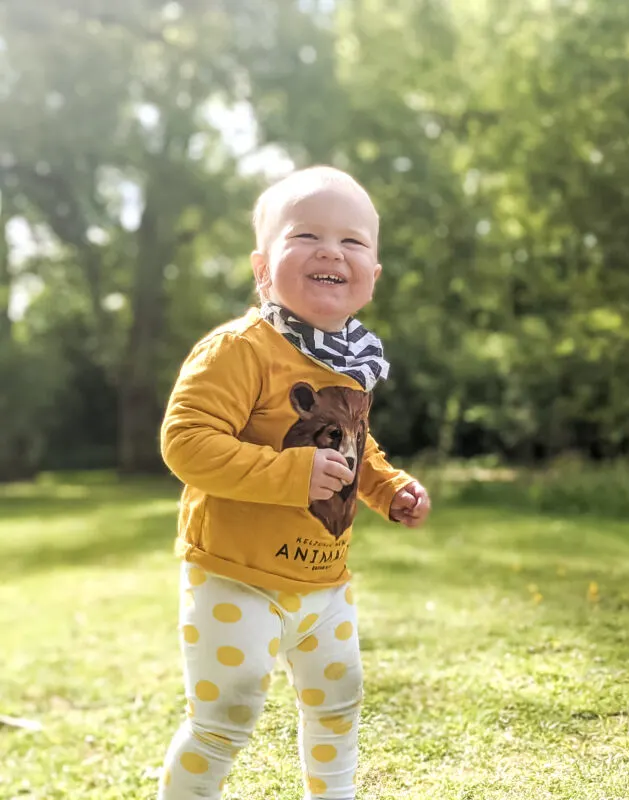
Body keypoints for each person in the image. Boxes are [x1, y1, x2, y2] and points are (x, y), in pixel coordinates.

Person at [157, 166, 431, 799]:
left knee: (338, 703)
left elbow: (356, 447)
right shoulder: (240, 348)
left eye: (353, 242)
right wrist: (292, 473)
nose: (332, 250)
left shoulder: (351, 361)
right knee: (224, 719)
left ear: (372, 276)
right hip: (234, 575)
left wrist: (388, 488)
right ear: (262, 267)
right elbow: (186, 442)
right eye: (306, 234)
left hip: (323, 581)